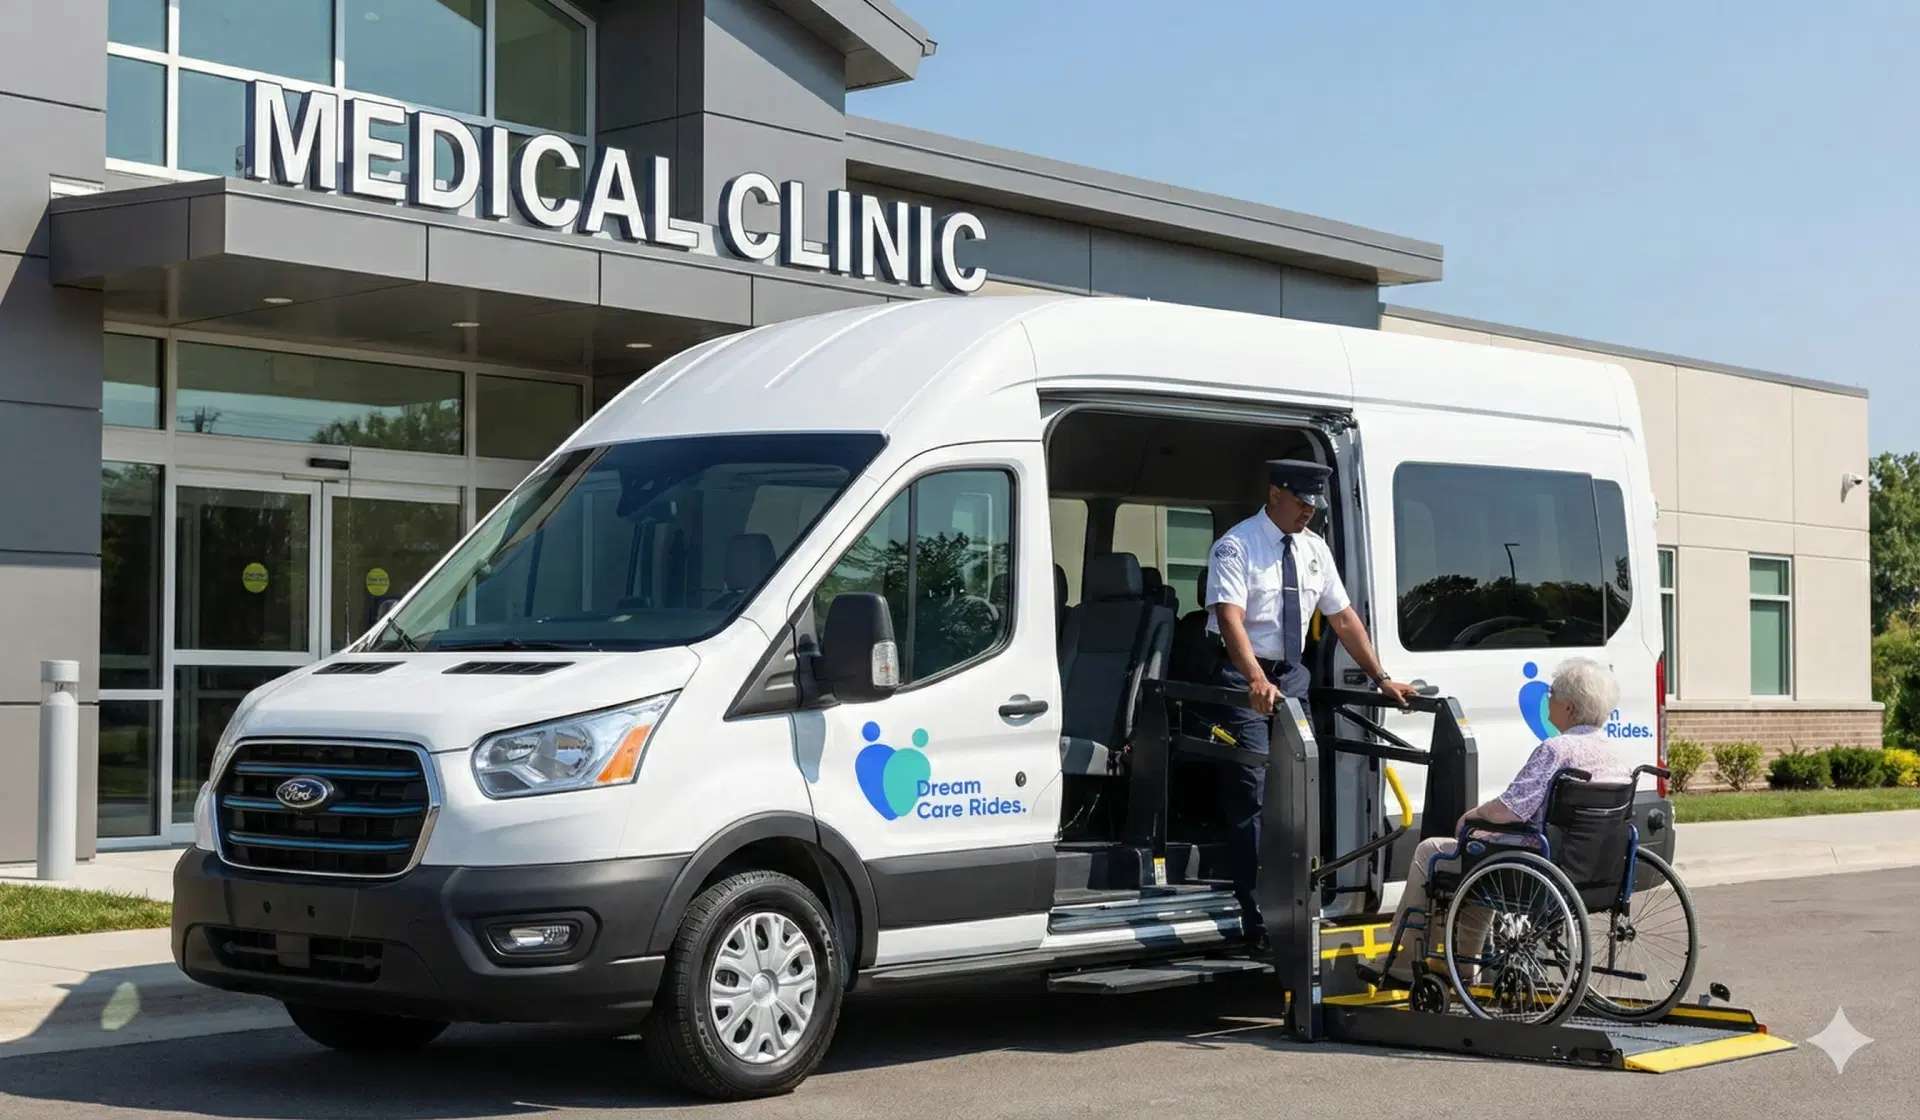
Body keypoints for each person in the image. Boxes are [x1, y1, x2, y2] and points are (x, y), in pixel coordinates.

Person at [1204, 459, 1416, 951]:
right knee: (1253, 793)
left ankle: (1298, 904)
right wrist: (1255, 678)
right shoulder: (1237, 547)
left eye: (1314, 506)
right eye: (1302, 504)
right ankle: (1255, 914)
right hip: (1245, 674)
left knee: (1298, 789)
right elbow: (1231, 620)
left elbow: (1343, 620)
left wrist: (1381, 677)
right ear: (1275, 493)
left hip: (1291, 676)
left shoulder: (1314, 549)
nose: (1310, 514)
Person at [1358, 656, 1632, 988]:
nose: (1547, 701)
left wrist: (1474, 815)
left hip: (1540, 863)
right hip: (1591, 870)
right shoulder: (1618, 756)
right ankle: (1462, 964)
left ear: (1569, 708)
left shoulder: (1557, 749)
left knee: (1435, 850)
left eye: (1552, 696)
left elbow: (1511, 810)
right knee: (1480, 866)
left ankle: (1405, 955)